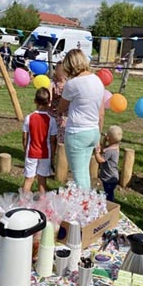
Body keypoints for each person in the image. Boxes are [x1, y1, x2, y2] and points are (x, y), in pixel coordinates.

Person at [58, 49, 105, 190]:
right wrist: (98, 137)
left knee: (79, 176)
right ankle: (88, 201)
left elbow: (61, 107)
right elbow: (101, 112)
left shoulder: (72, 84)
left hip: (77, 132)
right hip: (93, 130)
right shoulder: (97, 80)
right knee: (84, 172)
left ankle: (84, 205)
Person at [22, 88, 57, 195]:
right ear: (49, 102)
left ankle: (23, 202)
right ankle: (43, 203)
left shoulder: (29, 118)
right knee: (42, 180)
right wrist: (52, 156)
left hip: (31, 152)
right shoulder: (51, 120)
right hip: (45, 154)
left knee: (29, 179)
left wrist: (25, 150)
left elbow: (24, 138)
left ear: (35, 101)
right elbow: (52, 141)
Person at [95, 125, 122, 202]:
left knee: (109, 194)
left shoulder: (109, 152)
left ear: (108, 138)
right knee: (108, 192)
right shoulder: (115, 147)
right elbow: (104, 149)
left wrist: (96, 153)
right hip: (113, 176)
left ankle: (109, 204)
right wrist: (104, 141)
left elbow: (100, 160)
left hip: (109, 177)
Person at [49, 61, 67, 144]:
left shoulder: (68, 83)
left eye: (62, 71)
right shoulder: (52, 83)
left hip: (65, 113)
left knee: (62, 134)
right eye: (59, 70)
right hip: (54, 112)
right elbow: (49, 96)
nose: (61, 73)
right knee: (52, 133)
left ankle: (60, 153)